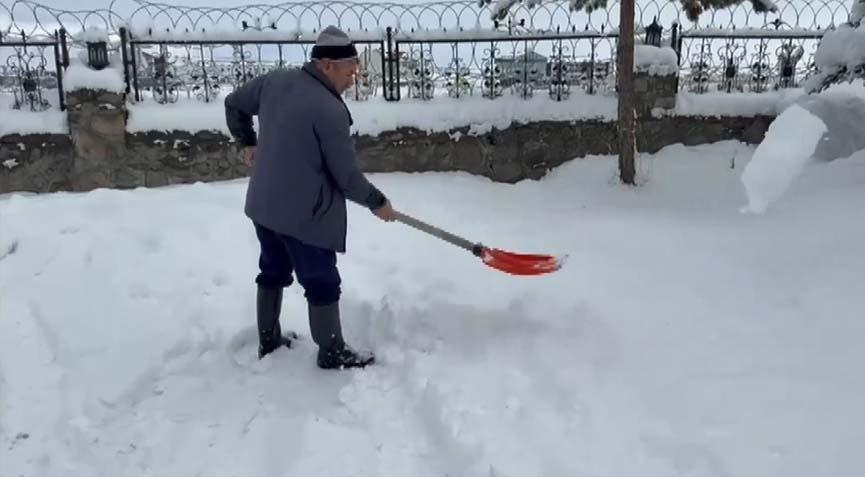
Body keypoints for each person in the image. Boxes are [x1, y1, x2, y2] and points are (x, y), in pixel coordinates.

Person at [224, 25, 397, 369]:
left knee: (272, 270)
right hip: (306, 216)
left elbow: (233, 104)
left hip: (265, 206)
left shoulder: (275, 81)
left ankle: (268, 340)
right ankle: (331, 351)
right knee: (322, 281)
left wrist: (246, 142)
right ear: (328, 65)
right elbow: (346, 177)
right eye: (350, 70)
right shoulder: (328, 110)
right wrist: (378, 202)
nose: (354, 78)